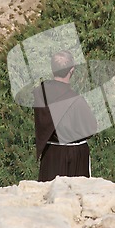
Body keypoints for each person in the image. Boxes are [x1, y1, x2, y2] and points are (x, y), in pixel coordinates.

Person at [32, 50, 97, 182]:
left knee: (50, 197)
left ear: (52, 69)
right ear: (71, 70)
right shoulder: (75, 100)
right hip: (75, 156)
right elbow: (91, 129)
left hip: (51, 153)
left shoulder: (40, 94)